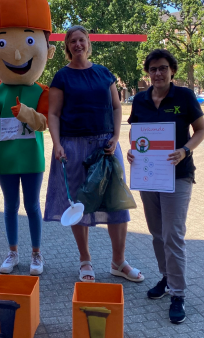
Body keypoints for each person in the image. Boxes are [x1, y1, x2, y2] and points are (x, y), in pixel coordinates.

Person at [45, 25, 144, 283]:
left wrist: (115, 136)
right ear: (67, 47)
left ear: (88, 43)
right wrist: (57, 144)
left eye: (82, 40)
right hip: (73, 146)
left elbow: (116, 107)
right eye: (72, 42)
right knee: (79, 204)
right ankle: (85, 260)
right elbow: (53, 114)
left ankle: (118, 262)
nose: (78, 45)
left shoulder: (103, 73)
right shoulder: (61, 77)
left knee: (117, 204)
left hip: (105, 146)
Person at [0, 0, 56, 276]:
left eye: (30, 40)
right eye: (2, 42)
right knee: (10, 206)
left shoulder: (41, 91)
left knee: (33, 206)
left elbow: (44, 124)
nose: (19, 53)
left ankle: (37, 253)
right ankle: (12, 252)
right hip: (7, 159)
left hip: (32, 158)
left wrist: (26, 113)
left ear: (48, 49)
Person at [127, 49, 204, 324]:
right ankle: (166, 277)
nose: (157, 74)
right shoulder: (140, 100)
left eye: (162, 68)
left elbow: (201, 129)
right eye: (153, 70)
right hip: (149, 176)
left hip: (178, 174)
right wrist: (133, 150)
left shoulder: (183, 96)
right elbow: (134, 132)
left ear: (172, 70)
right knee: (157, 233)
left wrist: (184, 150)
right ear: (148, 73)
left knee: (173, 234)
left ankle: (178, 294)